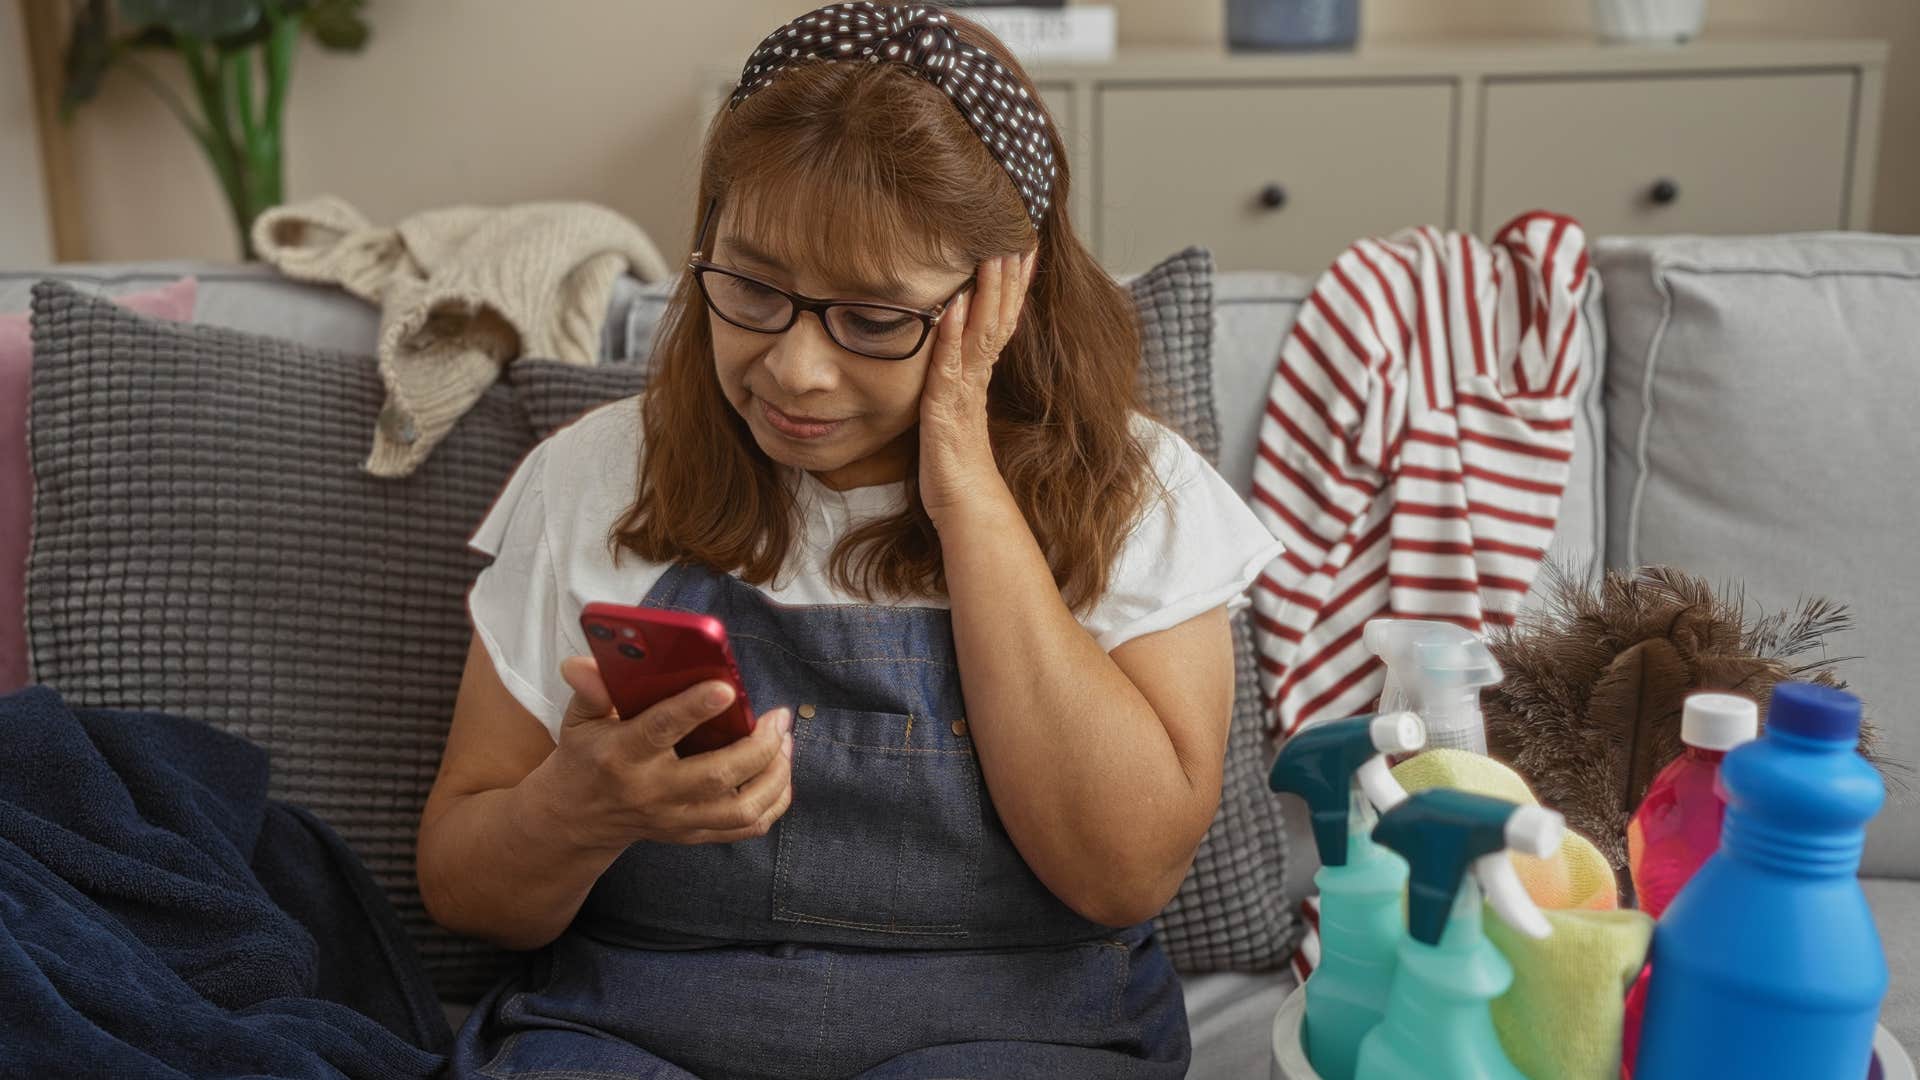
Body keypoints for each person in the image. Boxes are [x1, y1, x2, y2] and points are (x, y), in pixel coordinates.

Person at [418, 4, 1284, 1077]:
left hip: (1017, 1033)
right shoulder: (594, 475)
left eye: (874, 319)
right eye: (752, 288)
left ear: (1006, 295)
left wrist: (968, 489)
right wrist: (574, 811)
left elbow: (1124, 876)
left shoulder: (1137, 492)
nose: (794, 371)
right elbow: (463, 888)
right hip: (635, 1025)